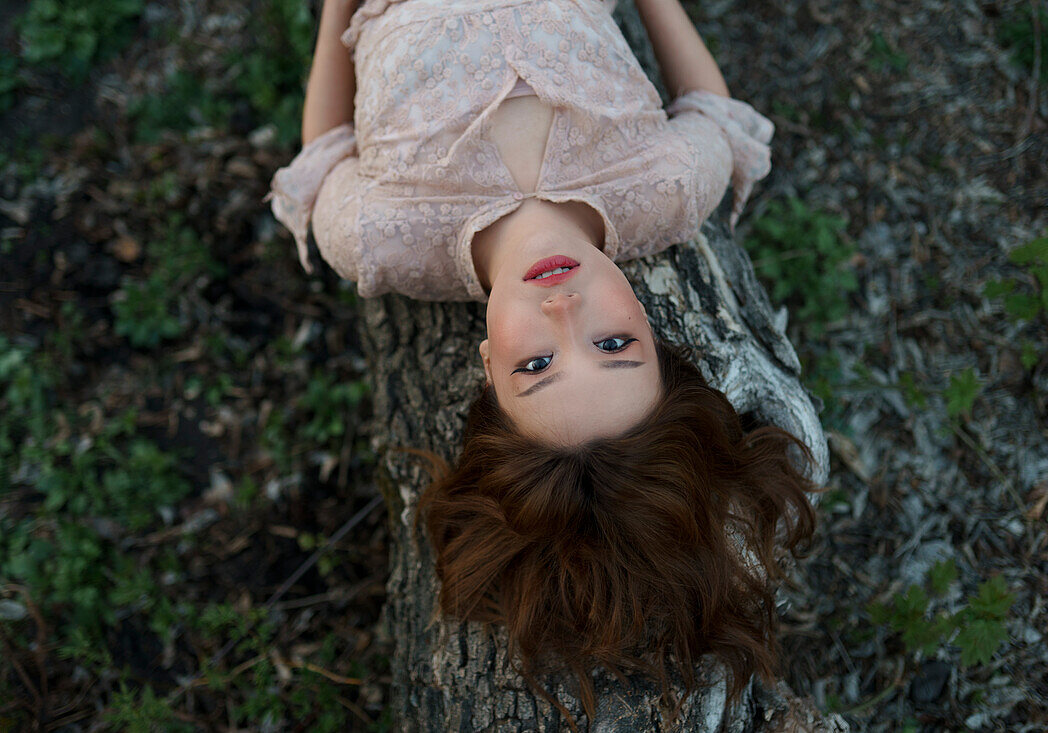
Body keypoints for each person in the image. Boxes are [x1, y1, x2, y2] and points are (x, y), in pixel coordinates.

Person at [268, 0, 817, 726]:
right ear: (659, 338)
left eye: (537, 364)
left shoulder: (383, 238)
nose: (565, 310)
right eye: (615, 347)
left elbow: (324, 155)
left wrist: (336, 11)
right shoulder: (664, 189)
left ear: (488, 367)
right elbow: (714, 111)